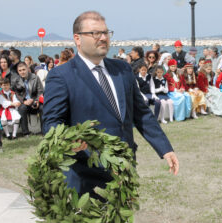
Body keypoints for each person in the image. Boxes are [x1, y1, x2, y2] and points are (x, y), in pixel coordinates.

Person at [42, 11, 179, 199]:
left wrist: (165, 148)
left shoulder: (122, 69)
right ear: (77, 39)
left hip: (123, 172)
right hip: (85, 176)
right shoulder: (62, 76)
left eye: (106, 33)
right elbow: (51, 123)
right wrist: (68, 141)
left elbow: (141, 113)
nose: (103, 38)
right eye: (95, 33)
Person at [11, 62, 44, 137]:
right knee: (22, 108)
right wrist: (23, 101)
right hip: (24, 102)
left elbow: (40, 91)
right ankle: (25, 133)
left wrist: (36, 100)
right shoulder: (16, 80)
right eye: (20, 70)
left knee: (43, 108)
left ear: (27, 69)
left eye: (23, 69)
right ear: (18, 71)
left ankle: (44, 131)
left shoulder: (35, 77)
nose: (22, 72)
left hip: (34, 100)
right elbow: (15, 93)